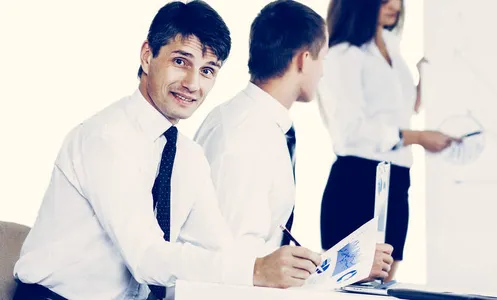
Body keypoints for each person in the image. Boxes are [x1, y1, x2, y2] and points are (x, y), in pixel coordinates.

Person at [12, 1, 320, 299]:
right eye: (180, 61)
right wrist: (253, 270)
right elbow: (146, 257)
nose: (192, 83)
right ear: (147, 56)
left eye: (208, 70)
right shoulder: (107, 138)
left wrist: (306, 268)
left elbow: (219, 247)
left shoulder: (187, 155)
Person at [194, 0, 394, 285]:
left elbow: (264, 259)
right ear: (303, 59)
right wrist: (345, 267)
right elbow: (240, 266)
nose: (323, 71)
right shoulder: (245, 136)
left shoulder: (261, 125)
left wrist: (348, 264)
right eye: (322, 59)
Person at [318, 0, 459, 282]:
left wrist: (424, 75)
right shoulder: (342, 55)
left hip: (397, 179)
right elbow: (350, 131)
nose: (394, 5)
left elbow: (399, 110)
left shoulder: (391, 45)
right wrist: (418, 137)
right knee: (353, 287)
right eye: (383, 0)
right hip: (358, 179)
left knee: (384, 285)